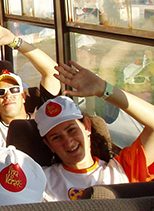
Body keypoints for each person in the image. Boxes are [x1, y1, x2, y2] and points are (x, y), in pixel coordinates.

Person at [35, 61, 154, 201]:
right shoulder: (40, 180)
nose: (68, 141)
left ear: (87, 127)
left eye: (71, 130)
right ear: (50, 146)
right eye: (56, 138)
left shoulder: (122, 169)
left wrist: (103, 89)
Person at [0, 20, 60, 147]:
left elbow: (53, 72)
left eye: (14, 90)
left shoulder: (42, 118)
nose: (7, 95)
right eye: (0, 92)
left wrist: (15, 42)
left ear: (23, 96)